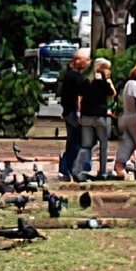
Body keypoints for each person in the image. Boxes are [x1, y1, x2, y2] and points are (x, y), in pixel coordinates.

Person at [74, 58, 115, 180]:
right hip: (100, 117)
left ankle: (77, 170)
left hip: (86, 116)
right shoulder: (103, 83)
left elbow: (79, 97)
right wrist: (108, 79)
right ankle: (102, 172)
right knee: (103, 145)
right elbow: (113, 93)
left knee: (85, 146)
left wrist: (80, 113)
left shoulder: (86, 81)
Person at [57, 49, 91, 179]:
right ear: (78, 61)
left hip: (69, 111)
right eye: (86, 60)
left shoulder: (70, 75)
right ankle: (68, 168)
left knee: (73, 140)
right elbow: (84, 92)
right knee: (75, 141)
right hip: (72, 113)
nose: (88, 63)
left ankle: (66, 168)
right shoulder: (75, 76)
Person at [113, 63, 136, 176]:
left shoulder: (127, 84)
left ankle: (119, 165)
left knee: (128, 143)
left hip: (125, 116)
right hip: (134, 117)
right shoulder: (135, 85)